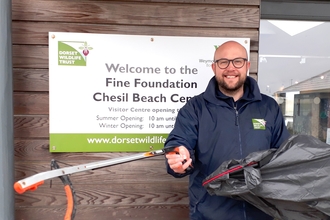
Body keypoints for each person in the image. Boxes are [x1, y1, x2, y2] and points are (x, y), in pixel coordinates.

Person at [164, 41, 290, 220]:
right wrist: (178, 157)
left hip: (261, 212)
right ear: (214, 67)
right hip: (210, 212)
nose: (230, 68)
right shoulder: (195, 108)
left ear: (247, 66)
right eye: (223, 62)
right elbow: (179, 142)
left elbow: (284, 154)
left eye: (237, 61)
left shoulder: (268, 107)